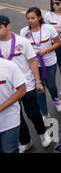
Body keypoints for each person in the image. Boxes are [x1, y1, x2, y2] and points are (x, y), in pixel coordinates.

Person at [0, 15, 52, 152]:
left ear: (8, 26)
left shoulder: (22, 42)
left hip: (26, 84)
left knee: (33, 113)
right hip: (7, 89)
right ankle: (25, 141)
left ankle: (42, 133)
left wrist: (38, 81)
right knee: (17, 117)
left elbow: (32, 62)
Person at [20, 7, 61, 122]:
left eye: (33, 18)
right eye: (28, 18)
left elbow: (58, 43)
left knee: (51, 85)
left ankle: (57, 101)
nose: (30, 20)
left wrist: (46, 50)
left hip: (49, 62)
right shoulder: (24, 31)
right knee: (39, 90)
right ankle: (44, 113)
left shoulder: (48, 28)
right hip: (34, 65)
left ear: (39, 17)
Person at [0, 57, 26, 154]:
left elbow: (22, 90)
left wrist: (1, 107)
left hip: (9, 120)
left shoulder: (9, 66)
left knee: (9, 150)